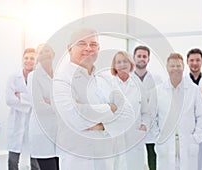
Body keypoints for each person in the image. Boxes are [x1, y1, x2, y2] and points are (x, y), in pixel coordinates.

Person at [52, 28, 135, 170]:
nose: (88, 48)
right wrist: (111, 108)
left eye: (93, 44)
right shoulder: (61, 79)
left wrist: (99, 125)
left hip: (105, 158)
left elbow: (128, 115)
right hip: (76, 159)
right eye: (82, 43)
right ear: (70, 48)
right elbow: (74, 117)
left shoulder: (105, 79)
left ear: (99, 48)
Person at [149, 53, 202, 170]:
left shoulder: (193, 90)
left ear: (183, 67)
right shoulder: (158, 90)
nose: (175, 69)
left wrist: (196, 138)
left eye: (178, 66)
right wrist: (158, 137)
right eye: (172, 66)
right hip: (165, 143)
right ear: (167, 68)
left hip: (188, 141)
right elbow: (151, 117)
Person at [111, 51, 149, 170]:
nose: (122, 64)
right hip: (116, 136)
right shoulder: (109, 84)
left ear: (130, 64)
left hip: (134, 135)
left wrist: (143, 126)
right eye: (119, 62)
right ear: (114, 66)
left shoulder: (138, 84)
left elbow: (146, 112)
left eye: (125, 61)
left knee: (135, 165)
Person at [6, 48, 39, 170]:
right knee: (13, 159)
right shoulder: (13, 77)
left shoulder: (38, 78)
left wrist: (20, 96)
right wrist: (30, 100)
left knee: (35, 159)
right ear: (22, 59)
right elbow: (9, 99)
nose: (29, 61)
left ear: (36, 61)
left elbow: (38, 101)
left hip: (33, 122)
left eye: (32, 58)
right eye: (26, 58)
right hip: (16, 121)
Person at [28, 44, 59, 170]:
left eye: (47, 51)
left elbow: (70, 101)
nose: (45, 54)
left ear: (53, 54)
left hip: (59, 135)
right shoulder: (33, 76)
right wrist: (58, 105)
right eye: (41, 52)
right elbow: (39, 107)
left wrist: (51, 102)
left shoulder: (60, 76)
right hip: (42, 134)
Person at [132, 45, 162, 170]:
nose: (141, 59)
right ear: (134, 58)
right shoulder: (128, 79)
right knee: (134, 161)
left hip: (151, 128)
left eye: (144, 56)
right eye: (139, 56)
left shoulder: (157, 80)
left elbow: (159, 105)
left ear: (148, 59)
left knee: (152, 160)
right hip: (134, 126)